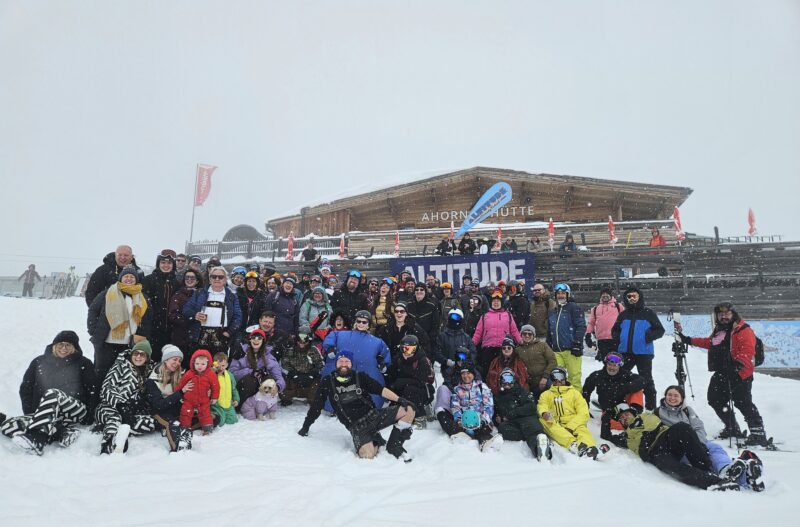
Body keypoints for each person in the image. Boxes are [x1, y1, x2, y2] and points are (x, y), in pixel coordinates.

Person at [675, 302, 769, 445]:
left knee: (743, 402)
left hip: (740, 374)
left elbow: (747, 350)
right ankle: (732, 427)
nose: (724, 316)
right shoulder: (719, 330)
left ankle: (758, 433)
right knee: (715, 399)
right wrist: (688, 340)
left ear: (733, 314)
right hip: (722, 372)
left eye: (727, 314)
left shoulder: (743, 329)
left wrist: (737, 366)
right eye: (720, 314)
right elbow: (710, 343)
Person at [298, 351, 416, 461]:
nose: (344, 364)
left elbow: (380, 390)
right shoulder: (327, 382)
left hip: (374, 416)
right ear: (336, 363)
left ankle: (394, 445)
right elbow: (316, 406)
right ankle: (375, 440)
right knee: (367, 456)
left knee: (409, 410)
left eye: (347, 361)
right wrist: (305, 426)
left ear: (351, 364)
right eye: (341, 361)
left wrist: (399, 399)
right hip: (358, 427)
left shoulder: (360, 376)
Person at [1, 331, 98, 455]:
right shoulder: (38, 362)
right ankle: (61, 432)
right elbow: (26, 389)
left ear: (74, 347)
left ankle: (37, 439)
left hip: (75, 411)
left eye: (68, 345)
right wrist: (32, 413)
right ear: (54, 346)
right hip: (46, 415)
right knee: (8, 425)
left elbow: (93, 391)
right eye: (60, 344)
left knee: (53, 394)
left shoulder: (84, 363)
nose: (63, 348)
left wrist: (88, 417)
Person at [655, 385, 765, 491]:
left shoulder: (687, 410)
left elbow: (698, 427)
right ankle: (739, 477)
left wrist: (698, 443)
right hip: (680, 446)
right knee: (706, 457)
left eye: (676, 395)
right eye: (669, 395)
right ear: (665, 396)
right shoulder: (658, 412)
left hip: (698, 441)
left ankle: (727, 470)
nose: (672, 398)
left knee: (715, 449)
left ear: (682, 398)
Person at [612, 403, 739, 491]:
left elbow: (653, 424)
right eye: (621, 418)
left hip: (665, 437)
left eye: (626, 414)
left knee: (682, 428)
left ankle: (706, 469)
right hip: (654, 452)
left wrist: (645, 439)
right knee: (669, 466)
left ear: (632, 413)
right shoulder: (625, 437)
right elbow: (606, 435)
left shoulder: (644, 416)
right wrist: (608, 416)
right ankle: (714, 482)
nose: (624, 417)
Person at [87, 265, 152, 383]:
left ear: (136, 280)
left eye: (132, 277)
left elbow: (147, 320)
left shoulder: (143, 298)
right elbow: (93, 310)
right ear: (121, 278)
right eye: (126, 276)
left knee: (125, 376)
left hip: (129, 345)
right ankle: (99, 394)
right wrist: (93, 330)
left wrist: (142, 337)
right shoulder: (107, 293)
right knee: (102, 374)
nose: (129, 279)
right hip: (106, 343)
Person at [95, 340, 156, 454]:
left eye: (142, 354)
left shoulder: (149, 372)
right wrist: (121, 405)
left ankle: (123, 429)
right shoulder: (121, 366)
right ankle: (110, 444)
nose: (138, 357)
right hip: (109, 406)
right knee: (115, 418)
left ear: (147, 357)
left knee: (151, 423)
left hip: (131, 410)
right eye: (136, 353)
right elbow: (107, 388)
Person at [323, 310, 392, 410]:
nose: (361, 324)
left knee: (369, 384)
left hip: (364, 369)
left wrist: (382, 363)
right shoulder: (341, 335)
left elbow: (384, 353)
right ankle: (334, 406)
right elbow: (332, 336)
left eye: (364, 322)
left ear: (368, 324)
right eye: (359, 321)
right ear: (355, 322)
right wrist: (330, 347)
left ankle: (369, 406)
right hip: (345, 369)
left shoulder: (376, 342)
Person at [611, 287, 664, 410]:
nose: (632, 299)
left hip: (643, 353)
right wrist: (619, 338)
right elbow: (615, 330)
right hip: (625, 352)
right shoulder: (623, 315)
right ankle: (617, 403)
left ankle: (651, 408)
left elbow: (660, 330)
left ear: (639, 297)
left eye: (634, 296)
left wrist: (647, 337)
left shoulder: (648, 313)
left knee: (646, 380)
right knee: (619, 378)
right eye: (629, 296)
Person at [538, 367, 600, 458]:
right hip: (556, 422)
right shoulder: (546, 394)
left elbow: (583, 412)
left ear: (565, 377)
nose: (558, 380)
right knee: (544, 422)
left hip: (573, 421)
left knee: (582, 430)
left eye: (560, 376)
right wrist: (544, 412)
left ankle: (589, 447)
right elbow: (542, 405)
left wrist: (571, 426)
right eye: (554, 377)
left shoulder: (574, 393)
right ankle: (573, 444)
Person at [581, 352, 645, 441]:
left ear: (619, 366)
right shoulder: (597, 376)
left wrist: (625, 388)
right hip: (609, 410)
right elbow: (586, 392)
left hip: (626, 407)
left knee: (638, 389)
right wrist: (585, 409)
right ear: (606, 364)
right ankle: (631, 422)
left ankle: (634, 414)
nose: (612, 368)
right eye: (610, 364)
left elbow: (642, 381)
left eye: (615, 365)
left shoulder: (625, 375)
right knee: (618, 424)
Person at [182, 266, 242, 358]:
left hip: (221, 337)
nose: (217, 279)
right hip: (200, 336)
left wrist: (229, 332)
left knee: (218, 365)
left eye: (220, 277)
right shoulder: (199, 293)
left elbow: (238, 316)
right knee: (200, 364)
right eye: (214, 276)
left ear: (225, 280)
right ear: (210, 279)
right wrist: (195, 315)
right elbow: (186, 309)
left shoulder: (232, 296)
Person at [493, 368, 551, 460]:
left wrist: (514, 413)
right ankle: (537, 439)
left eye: (509, 379)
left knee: (532, 431)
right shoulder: (498, 396)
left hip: (526, 418)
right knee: (503, 429)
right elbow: (495, 413)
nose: (507, 383)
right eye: (504, 379)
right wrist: (498, 419)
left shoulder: (521, 391)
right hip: (512, 423)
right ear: (500, 381)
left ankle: (540, 450)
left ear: (513, 380)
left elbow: (531, 406)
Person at [443, 362, 501, 451]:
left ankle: (485, 442)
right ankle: (461, 436)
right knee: (446, 419)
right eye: (463, 373)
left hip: (480, 421)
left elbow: (489, 406)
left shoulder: (482, 387)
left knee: (482, 430)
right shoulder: (457, 389)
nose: (466, 376)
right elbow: (455, 407)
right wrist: (459, 419)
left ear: (473, 374)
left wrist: (483, 420)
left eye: (468, 373)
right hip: (464, 421)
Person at [145, 345, 192, 451]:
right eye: (174, 359)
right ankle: (179, 447)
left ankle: (183, 431)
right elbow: (159, 405)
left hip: (175, 409)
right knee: (173, 424)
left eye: (179, 361)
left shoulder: (179, 375)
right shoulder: (152, 380)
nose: (177, 363)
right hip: (159, 412)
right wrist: (181, 392)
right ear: (165, 360)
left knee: (207, 417)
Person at [229, 328, 286, 407]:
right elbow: (231, 374)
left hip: (261, 392)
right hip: (244, 389)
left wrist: (278, 387)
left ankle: (263, 405)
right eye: (253, 338)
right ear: (250, 340)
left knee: (269, 378)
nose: (256, 340)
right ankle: (242, 404)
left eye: (259, 338)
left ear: (263, 341)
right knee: (250, 379)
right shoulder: (241, 353)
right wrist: (250, 372)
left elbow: (278, 376)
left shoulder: (269, 357)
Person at [472, 288, 522, 377]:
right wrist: (471, 344)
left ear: (501, 303)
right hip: (488, 348)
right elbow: (478, 333)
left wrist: (520, 341)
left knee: (502, 371)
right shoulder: (485, 316)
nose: (496, 303)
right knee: (488, 372)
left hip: (503, 349)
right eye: (494, 301)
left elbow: (514, 331)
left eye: (498, 301)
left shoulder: (508, 315)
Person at [386, 334, 434, 423]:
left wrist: (402, 382)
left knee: (410, 390)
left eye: (412, 349)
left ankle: (419, 416)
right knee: (394, 393)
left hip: (422, 391)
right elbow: (391, 375)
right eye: (405, 348)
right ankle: (396, 412)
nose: (408, 352)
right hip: (402, 390)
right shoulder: (398, 359)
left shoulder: (422, 360)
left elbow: (421, 381)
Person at [142, 250, 180, 363]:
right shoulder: (148, 280)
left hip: (171, 329)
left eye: (169, 263)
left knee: (168, 360)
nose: (166, 265)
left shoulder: (177, 282)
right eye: (163, 262)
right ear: (158, 264)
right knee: (151, 359)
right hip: (153, 328)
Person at [546, 283, 586, 388]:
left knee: (574, 377)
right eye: (558, 293)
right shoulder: (553, 311)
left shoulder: (574, 308)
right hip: (557, 351)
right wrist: (548, 346)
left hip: (571, 350)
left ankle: (576, 398)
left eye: (563, 293)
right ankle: (559, 397)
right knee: (557, 378)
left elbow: (581, 326)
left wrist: (577, 343)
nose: (560, 295)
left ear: (568, 294)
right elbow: (550, 331)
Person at [175, 349, 220, 435]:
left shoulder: (211, 374)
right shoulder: (189, 373)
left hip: (204, 399)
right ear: (193, 363)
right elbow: (181, 384)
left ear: (208, 364)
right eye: (197, 363)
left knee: (205, 414)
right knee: (186, 413)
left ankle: (207, 428)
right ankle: (184, 428)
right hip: (189, 399)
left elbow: (215, 386)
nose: (200, 366)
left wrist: (214, 397)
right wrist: (178, 395)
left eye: (203, 364)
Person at [279, 326, 325, 405]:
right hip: (294, 377)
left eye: (305, 340)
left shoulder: (313, 350)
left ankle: (312, 399)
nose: (302, 342)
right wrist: (292, 373)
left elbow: (320, 364)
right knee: (284, 379)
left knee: (319, 381)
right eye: (299, 339)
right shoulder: (290, 350)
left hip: (309, 378)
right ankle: (286, 398)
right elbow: (284, 363)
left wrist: (313, 373)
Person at [167, 270, 202, 365]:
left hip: (198, 335)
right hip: (181, 335)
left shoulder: (202, 294)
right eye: (187, 277)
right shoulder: (178, 295)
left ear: (197, 280)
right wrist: (189, 320)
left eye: (192, 278)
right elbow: (173, 314)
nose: (189, 280)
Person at [515, 325, 557, 399]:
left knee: (551, 393)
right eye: (524, 333)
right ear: (521, 335)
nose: (527, 336)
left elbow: (552, 361)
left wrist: (545, 377)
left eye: (529, 334)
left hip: (545, 379)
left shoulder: (542, 345)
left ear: (533, 335)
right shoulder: (518, 350)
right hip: (529, 382)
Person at [585, 287, 624, 362]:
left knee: (615, 361)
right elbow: (591, 322)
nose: (605, 296)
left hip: (615, 339)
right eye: (603, 294)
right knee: (605, 362)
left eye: (607, 294)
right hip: (602, 340)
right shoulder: (596, 308)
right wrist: (588, 334)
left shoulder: (618, 307)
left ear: (611, 295)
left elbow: (624, 321)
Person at [407, 283, 441, 353]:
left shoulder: (432, 305)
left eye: (421, 289)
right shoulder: (409, 304)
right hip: (411, 340)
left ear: (425, 291)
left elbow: (436, 324)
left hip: (427, 340)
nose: (419, 291)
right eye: (417, 290)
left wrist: (430, 338)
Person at [211, 352, 239, 426]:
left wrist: (236, 399)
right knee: (220, 421)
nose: (221, 368)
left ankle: (227, 413)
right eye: (218, 366)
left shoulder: (230, 375)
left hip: (228, 405)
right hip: (217, 406)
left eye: (223, 365)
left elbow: (234, 389)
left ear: (227, 365)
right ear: (214, 365)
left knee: (233, 420)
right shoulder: (213, 375)